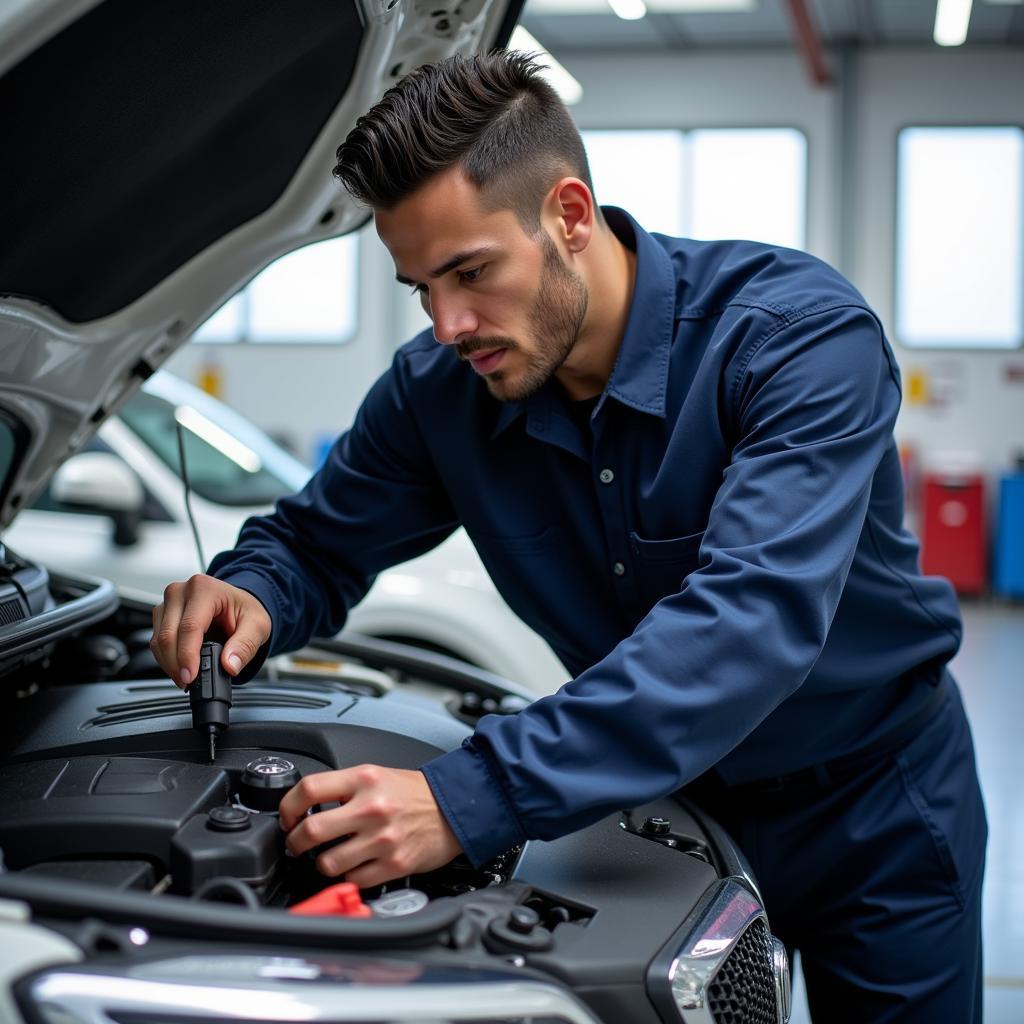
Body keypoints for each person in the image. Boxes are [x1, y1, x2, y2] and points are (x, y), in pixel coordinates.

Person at [150, 51, 986, 1022]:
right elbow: (315, 542)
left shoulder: (796, 339)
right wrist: (250, 588)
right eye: (421, 286)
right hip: (666, 803)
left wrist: (467, 796)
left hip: (870, 809)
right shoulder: (439, 392)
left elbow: (746, 623)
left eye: (470, 272)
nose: (449, 323)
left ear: (570, 217)